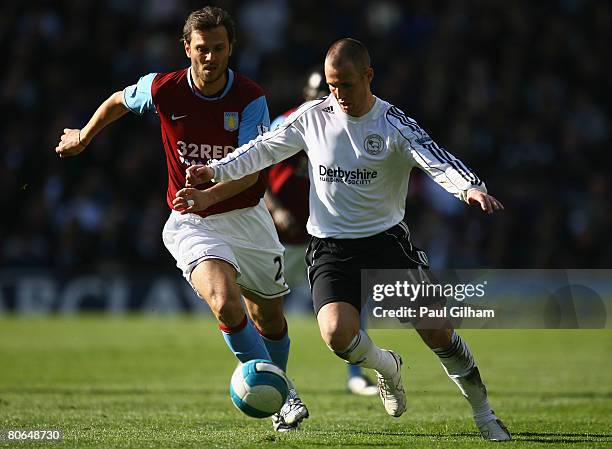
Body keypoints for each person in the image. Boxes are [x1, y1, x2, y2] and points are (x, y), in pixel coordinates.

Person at [178, 38, 511, 441]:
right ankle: (387, 367)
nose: (338, 95)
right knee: (336, 334)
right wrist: (214, 171)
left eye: (347, 85)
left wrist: (468, 187)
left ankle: (484, 414)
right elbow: (262, 149)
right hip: (331, 247)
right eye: (333, 86)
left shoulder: (391, 123)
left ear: (368, 76)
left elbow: (432, 155)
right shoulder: (313, 116)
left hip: (387, 242)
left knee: (438, 332)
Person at [53, 6, 308, 432]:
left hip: (246, 217)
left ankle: (276, 386)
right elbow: (119, 100)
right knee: (225, 302)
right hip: (192, 220)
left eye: (219, 49)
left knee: (269, 318)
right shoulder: (164, 88)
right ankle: (286, 397)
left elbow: (248, 169)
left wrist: (209, 191)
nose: (210, 58)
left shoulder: (250, 99)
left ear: (232, 49)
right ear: (186, 48)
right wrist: (84, 135)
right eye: (202, 49)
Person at [266, 67, 377, 396]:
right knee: (270, 311)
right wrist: (278, 209)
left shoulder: (343, 128)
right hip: (281, 237)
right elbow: (256, 174)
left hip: (322, 234)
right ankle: (269, 376)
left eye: (324, 93)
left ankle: (357, 374)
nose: (320, 99)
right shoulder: (287, 123)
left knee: (349, 302)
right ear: (305, 94)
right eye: (315, 93)